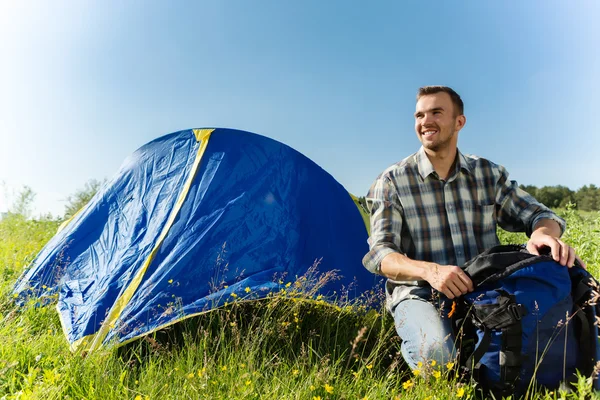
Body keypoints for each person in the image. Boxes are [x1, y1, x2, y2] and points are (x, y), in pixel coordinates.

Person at [362, 86, 584, 371]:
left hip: (485, 290)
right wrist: (432, 271)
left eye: (436, 113)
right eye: (419, 115)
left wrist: (542, 233)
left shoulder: (488, 174)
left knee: (555, 338)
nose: (425, 121)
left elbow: (541, 215)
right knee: (437, 356)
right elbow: (382, 254)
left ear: (459, 122)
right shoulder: (392, 180)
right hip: (421, 292)